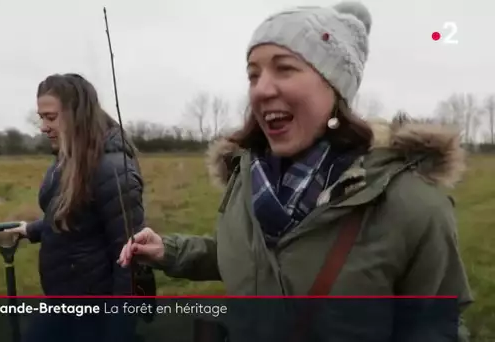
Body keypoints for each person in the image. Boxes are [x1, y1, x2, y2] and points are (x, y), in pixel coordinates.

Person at [118, 2, 472, 341]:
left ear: (335, 87)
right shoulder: (245, 181)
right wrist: (170, 251)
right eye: (253, 75)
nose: (261, 89)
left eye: (284, 68)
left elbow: (433, 328)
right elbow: (253, 259)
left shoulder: (414, 207)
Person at [4, 73, 152, 341]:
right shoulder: (70, 159)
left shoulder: (113, 169)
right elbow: (73, 215)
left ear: (78, 116)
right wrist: (31, 230)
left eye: (51, 117)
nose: (42, 126)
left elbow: (130, 259)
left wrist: (119, 329)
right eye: (41, 117)